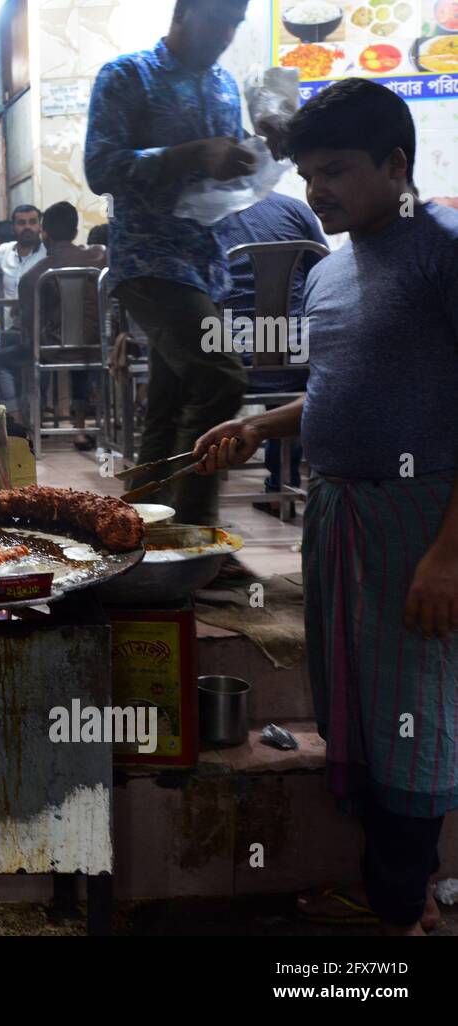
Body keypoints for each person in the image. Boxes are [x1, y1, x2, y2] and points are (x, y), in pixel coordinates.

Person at [194, 78, 458, 936]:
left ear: (396, 164)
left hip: (418, 523)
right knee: (356, 708)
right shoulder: (332, 271)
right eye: (308, 173)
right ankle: (397, 893)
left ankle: (400, 918)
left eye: (338, 170)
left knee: (412, 715)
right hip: (337, 515)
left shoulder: (441, 249)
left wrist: (449, 555)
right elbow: (343, 388)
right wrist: (263, 419)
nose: (318, 191)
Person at [84, 0, 254, 525]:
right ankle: (192, 533)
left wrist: (255, 153)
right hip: (150, 259)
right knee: (220, 375)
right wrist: (193, 155)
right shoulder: (128, 75)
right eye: (218, 21)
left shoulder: (226, 85)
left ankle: (135, 534)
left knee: (169, 403)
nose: (226, 35)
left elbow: (229, 163)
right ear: (184, 12)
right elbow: (101, 168)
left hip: (204, 260)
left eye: (235, 26)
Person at [214, 191, 327, 514]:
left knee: (190, 371)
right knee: (295, 389)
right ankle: (281, 484)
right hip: (296, 354)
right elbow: (321, 271)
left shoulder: (203, 211)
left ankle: (203, 486)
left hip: (228, 355)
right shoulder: (293, 209)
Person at [17, 201, 107, 450]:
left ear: (44, 233)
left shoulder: (33, 275)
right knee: (82, 349)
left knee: (26, 353)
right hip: (98, 348)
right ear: (76, 232)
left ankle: (30, 425)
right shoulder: (100, 258)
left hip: (54, 351)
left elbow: (29, 326)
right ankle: (80, 429)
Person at [0, 204, 46, 419]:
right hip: (8, 330)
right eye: (21, 223)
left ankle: (26, 415)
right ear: (14, 226)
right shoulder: (4, 251)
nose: (27, 227)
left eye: (32, 222)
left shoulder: (48, 253)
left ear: (40, 225)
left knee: (4, 358)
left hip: (39, 333)